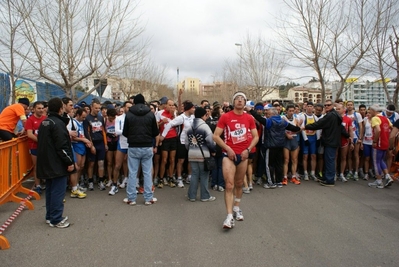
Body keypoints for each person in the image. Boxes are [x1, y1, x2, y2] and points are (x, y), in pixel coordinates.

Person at [213, 92, 259, 229]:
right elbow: (216, 136)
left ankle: (237, 207)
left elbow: (256, 137)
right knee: (229, 185)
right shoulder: (225, 117)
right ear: (233, 102)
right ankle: (228, 217)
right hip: (228, 155)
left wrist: (248, 150)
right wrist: (227, 148)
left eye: (242, 99)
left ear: (245, 103)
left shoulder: (249, 118)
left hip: (243, 155)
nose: (239, 101)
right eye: (237, 99)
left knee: (239, 184)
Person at [37, 97, 75, 228]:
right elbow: (62, 146)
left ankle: (50, 216)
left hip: (45, 162)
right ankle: (56, 219)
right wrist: (69, 162)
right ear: (60, 108)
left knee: (50, 191)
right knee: (58, 192)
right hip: (56, 163)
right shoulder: (57, 124)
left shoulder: (45, 122)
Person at [122, 94, 159, 205]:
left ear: (134, 103)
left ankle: (131, 198)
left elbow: (125, 132)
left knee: (132, 173)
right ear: (144, 102)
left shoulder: (128, 114)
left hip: (133, 146)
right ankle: (148, 198)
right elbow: (155, 132)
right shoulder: (150, 114)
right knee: (147, 173)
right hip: (147, 145)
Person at [304, 101, 348, 186]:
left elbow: (319, 124)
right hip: (332, 141)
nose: (326, 106)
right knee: (328, 160)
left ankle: (330, 180)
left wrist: (305, 127)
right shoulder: (336, 115)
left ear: (333, 106)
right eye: (325, 105)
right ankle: (327, 177)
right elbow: (342, 128)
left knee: (330, 160)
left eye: (328, 105)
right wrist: (347, 135)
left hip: (330, 141)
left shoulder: (331, 115)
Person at [185, 107, 216, 202]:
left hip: (192, 154)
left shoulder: (190, 127)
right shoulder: (205, 126)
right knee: (204, 175)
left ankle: (192, 196)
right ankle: (205, 196)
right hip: (203, 154)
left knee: (194, 174)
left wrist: (190, 149)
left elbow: (186, 143)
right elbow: (211, 141)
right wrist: (213, 150)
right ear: (204, 115)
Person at [367, 104, 394, 188]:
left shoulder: (375, 118)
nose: (369, 112)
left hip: (378, 143)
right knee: (381, 160)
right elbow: (392, 128)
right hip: (385, 142)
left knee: (376, 162)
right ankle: (387, 176)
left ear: (373, 110)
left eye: (370, 110)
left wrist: (375, 140)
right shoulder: (385, 118)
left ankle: (379, 180)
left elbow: (378, 130)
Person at [25, 101, 46, 194]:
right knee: (36, 166)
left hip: (45, 147)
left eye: (42, 108)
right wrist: (40, 141)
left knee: (46, 165)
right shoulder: (30, 120)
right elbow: (29, 134)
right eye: (39, 108)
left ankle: (46, 182)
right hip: (34, 146)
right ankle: (37, 185)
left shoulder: (46, 119)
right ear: (34, 109)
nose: (41, 110)